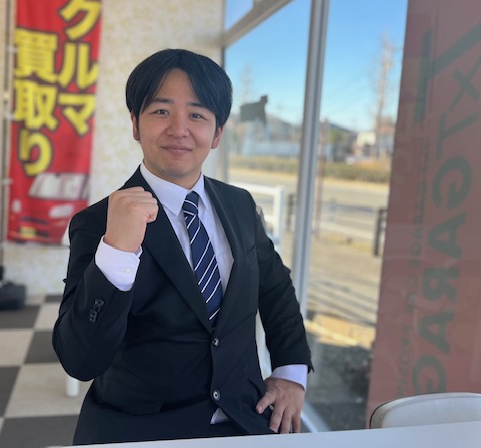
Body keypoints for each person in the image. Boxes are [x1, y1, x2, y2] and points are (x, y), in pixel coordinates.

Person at [52, 48, 313, 445]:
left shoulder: (240, 205)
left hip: (248, 417)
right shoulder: (97, 223)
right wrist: (117, 252)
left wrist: (290, 371)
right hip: (142, 429)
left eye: (197, 115)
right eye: (161, 111)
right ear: (135, 124)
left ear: (217, 133)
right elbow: (80, 360)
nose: (179, 129)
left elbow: (275, 289)